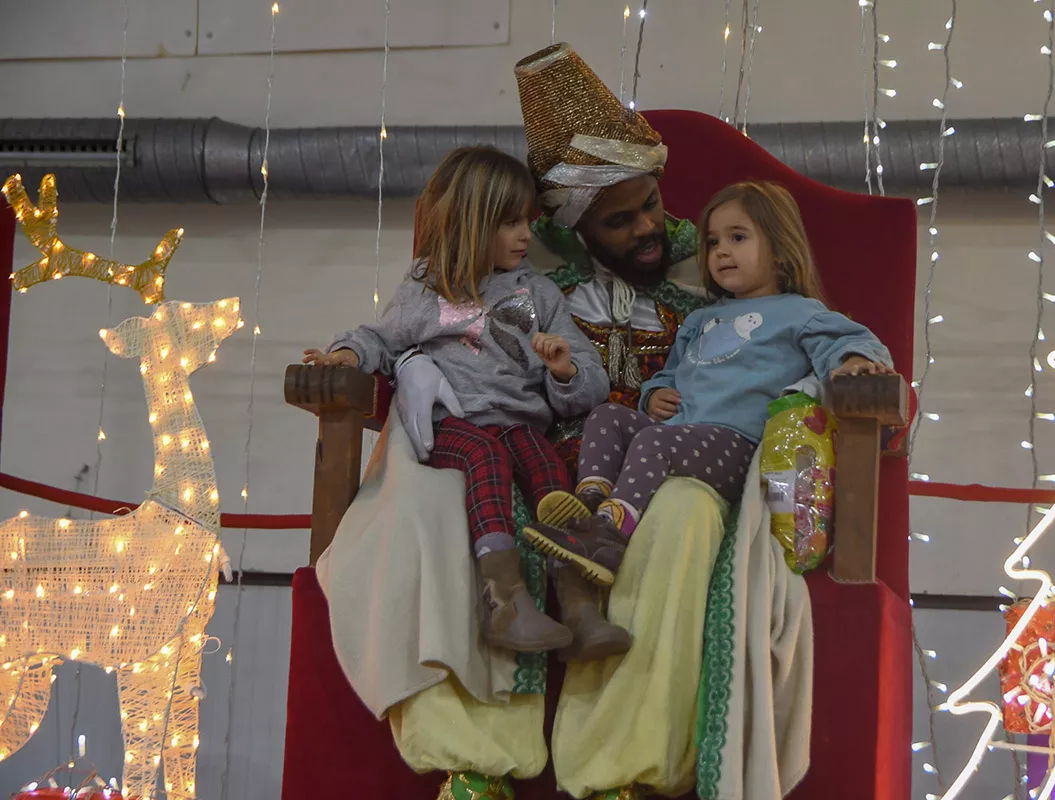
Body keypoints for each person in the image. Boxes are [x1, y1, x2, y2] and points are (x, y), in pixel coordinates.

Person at [324, 44, 816, 800]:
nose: (651, 227)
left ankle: (623, 764)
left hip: (674, 458)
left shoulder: (717, 265)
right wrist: (410, 364)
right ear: (574, 227)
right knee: (433, 497)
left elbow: (793, 338)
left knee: (684, 513)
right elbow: (430, 327)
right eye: (621, 220)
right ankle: (475, 759)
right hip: (532, 438)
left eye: (652, 204)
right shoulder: (527, 281)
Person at [304, 145, 609, 653]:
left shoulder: (540, 296)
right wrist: (347, 355)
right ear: (472, 223)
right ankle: (504, 602)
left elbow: (589, 379)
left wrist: (566, 369)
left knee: (549, 468)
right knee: (486, 458)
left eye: (527, 221)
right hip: (454, 423)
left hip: (521, 423)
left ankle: (579, 607)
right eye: (509, 223)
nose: (525, 236)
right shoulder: (428, 288)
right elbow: (380, 338)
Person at [524, 182, 894, 587]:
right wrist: (653, 395)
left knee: (652, 444)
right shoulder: (700, 319)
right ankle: (590, 507)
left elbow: (851, 339)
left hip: (737, 445)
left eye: (737, 238)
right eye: (713, 241)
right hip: (679, 434)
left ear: (781, 250)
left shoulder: (799, 312)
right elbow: (671, 373)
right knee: (607, 417)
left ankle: (610, 540)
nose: (721, 251)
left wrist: (856, 362)